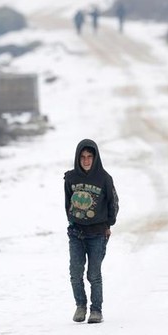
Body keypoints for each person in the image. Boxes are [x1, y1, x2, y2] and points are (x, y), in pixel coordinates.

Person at [64, 139, 119, 324]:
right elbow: (68, 203)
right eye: (83, 157)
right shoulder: (71, 178)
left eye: (89, 157)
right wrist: (72, 220)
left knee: (93, 274)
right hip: (76, 233)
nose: (86, 160)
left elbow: (113, 203)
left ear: (95, 158)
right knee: (75, 272)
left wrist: (109, 224)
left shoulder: (104, 178)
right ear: (78, 158)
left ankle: (96, 310)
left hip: (97, 234)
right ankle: (81, 306)